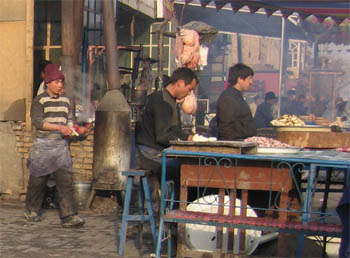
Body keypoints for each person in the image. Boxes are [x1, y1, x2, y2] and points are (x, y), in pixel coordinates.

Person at [25, 63, 91, 227]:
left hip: (60, 147)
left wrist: (78, 130)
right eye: (56, 82)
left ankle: (69, 215)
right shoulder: (39, 100)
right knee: (37, 181)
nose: (60, 85)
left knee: (65, 182)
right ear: (48, 83)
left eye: (61, 82)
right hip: (43, 145)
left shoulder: (66, 101)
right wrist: (59, 128)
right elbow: (38, 123)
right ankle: (32, 211)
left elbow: (69, 123)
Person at [216, 63, 256, 140]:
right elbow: (226, 128)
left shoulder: (237, 95)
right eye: (249, 78)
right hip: (236, 144)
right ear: (240, 79)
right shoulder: (228, 98)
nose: (251, 82)